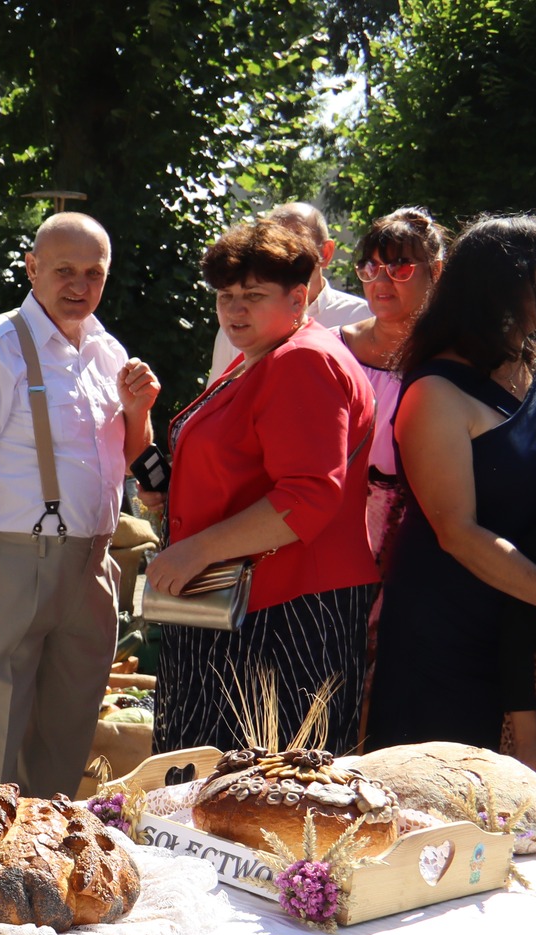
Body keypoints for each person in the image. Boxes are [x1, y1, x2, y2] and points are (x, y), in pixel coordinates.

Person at [0, 213, 160, 796]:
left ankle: (37, 870)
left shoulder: (109, 352)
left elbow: (130, 454)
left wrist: (140, 412)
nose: (79, 285)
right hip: (10, 562)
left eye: (93, 273)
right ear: (33, 270)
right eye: (64, 271)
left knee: (66, 743)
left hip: (95, 564)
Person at [149, 218, 378, 755]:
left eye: (253, 295)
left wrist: (195, 551)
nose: (235, 309)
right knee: (221, 789)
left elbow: (308, 496)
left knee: (265, 794)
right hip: (242, 601)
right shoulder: (266, 355)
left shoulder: (302, 360)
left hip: (284, 608)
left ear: (299, 297)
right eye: (226, 296)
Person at [369, 215, 536, 760]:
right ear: (508, 281)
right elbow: (457, 531)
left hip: (520, 639)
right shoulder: (436, 391)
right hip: (445, 641)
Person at [338, 208, 450, 559]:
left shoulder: (456, 363)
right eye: (370, 268)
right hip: (328, 542)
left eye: (399, 267)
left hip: (420, 551)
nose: (381, 282)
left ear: (435, 272)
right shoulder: (328, 351)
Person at [208, 201, 373, 385]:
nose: (283, 255)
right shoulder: (236, 323)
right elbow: (216, 402)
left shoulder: (362, 318)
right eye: (271, 247)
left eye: (297, 242)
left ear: (325, 253)